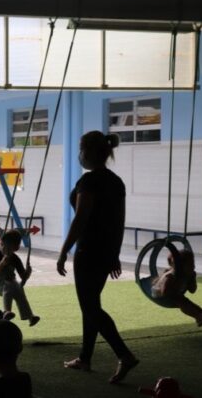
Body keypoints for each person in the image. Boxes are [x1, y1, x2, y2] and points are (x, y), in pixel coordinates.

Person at [57, 130, 139, 384]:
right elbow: (119, 221)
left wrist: (64, 250)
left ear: (89, 152)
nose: (79, 154)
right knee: (91, 305)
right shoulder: (116, 181)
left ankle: (124, 355)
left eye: (81, 149)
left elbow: (80, 219)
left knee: (90, 307)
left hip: (88, 251)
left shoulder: (89, 181)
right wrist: (114, 253)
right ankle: (85, 358)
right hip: (105, 251)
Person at [151, 248, 202, 327]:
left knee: (187, 302)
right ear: (180, 266)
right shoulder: (170, 276)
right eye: (190, 265)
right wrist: (177, 292)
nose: (193, 267)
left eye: (193, 264)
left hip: (174, 292)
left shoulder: (187, 274)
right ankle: (199, 316)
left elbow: (192, 290)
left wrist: (192, 278)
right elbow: (165, 292)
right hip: (160, 294)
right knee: (182, 301)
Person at [0, 229, 40, 326]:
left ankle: (30, 316)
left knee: (19, 291)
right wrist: (2, 263)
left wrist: (28, 272)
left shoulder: (15, 258)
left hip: (12, 282)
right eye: (4, 246)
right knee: (8, 288)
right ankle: (6, 311)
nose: (6, 250)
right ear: (3, 244)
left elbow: (23, 277)